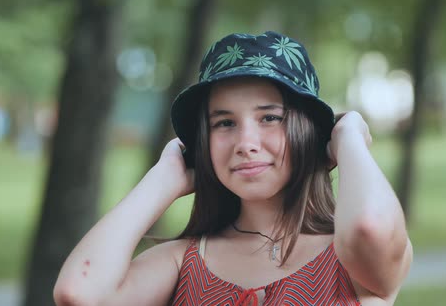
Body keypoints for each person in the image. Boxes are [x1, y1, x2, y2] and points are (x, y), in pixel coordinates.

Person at [54, 31, 412, 306]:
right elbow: (79, 293)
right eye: (224, 123)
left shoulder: (352, 261)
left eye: (270, 118)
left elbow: (371, 227)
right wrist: (163, 178)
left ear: (310, 132)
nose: (245, 142)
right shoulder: (183, 263)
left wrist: (348, 138)